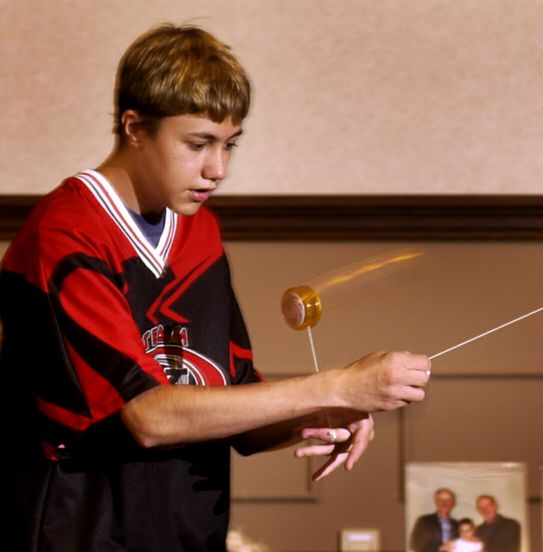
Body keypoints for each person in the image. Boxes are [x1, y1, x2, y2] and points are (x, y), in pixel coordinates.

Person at [0, 23, 431, 552]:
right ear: (135, 127)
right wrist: (336, 385)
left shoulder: (199, 228)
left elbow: (234, 402)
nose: (218, 169)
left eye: (230, 144)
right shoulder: (65, 233)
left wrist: (316, 415)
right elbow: (149, 417)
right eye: (198, 144)